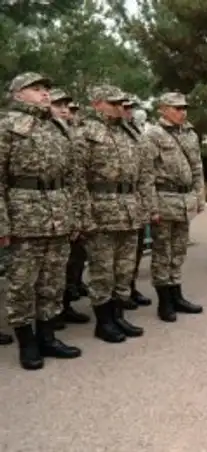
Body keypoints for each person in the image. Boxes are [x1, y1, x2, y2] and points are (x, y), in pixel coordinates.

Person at [1, 72, 83, 369]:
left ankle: (48, 338)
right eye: (36, 89)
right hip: (24, 214)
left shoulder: (58, 127)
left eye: (46, 88)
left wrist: (76, 215)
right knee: (22, 284)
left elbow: (73, 176)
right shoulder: (7, 126)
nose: (45, 93)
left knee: (53, 280)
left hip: (58, 214)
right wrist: (2, 223)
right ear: (17, 94)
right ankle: (27, 343)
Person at [76, 84, 156, 343]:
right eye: (113, 103)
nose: (120, 108)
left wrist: (146, 207)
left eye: (122, 103)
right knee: (103, 271)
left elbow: (144, 174)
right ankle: (104, 322)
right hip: (101, 211)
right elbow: (77, 178)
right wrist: (84, 216)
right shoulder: (86, 132)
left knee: (124, 270)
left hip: (129, 209)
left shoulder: (130, 133)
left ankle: (118, 315)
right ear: (97, 103)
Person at [143, 92, 205, 322]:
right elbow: (147, 173)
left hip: (184, 200)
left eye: (184, 108)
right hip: (164, 198)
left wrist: (199, 197)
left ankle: (177, 294)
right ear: (163, 109)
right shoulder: (153, 135)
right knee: (162, 253)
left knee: (178, 251)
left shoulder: (190, 134)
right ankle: (164, 301)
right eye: (177, 108)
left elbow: (198, 168)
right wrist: (151, 207)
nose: (182, 112)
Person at [49, 88, 92, 329]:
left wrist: (81, 212)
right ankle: (48, 314)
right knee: (51, 266)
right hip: (50, 208)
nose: (65, 109)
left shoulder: (74, 133)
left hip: (73, 205)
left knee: (73, 260)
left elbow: (80, 176)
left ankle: (64, 306)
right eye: (58, 105)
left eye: (67, 105)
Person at [121, 94, 153, 309]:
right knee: (120, 255)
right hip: (116, 201)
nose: (129, 110)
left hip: (137, 199)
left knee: (137, 248)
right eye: (124, 107)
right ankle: (120, 294)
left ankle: (130, 287)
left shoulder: (135, 131)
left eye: (131, 107)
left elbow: (145, 169)